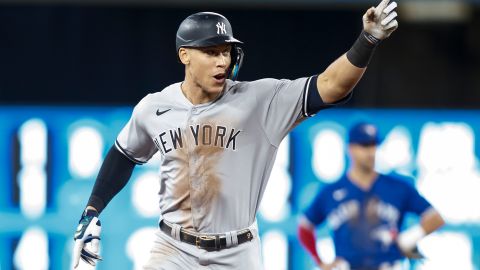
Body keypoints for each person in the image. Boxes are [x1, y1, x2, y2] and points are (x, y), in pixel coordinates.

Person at [72, 1, 400, 269]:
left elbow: (331, 86)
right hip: (172, 249)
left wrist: (366, 41)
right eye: (211, 51)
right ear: (185, 55)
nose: (222, 60)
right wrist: (92, 210)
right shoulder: (154, 108)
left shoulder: (260, 101)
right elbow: (124, 153)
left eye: (225, 51)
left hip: (236, 253)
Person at [297, 122, 445, 270]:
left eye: (373, 145)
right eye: (364, 145)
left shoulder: (397, 187)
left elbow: (435, 218)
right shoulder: (331, 192)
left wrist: (406, 240)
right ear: (351, 149)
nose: (370, 152)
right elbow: (305, 227)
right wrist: (319, 261)